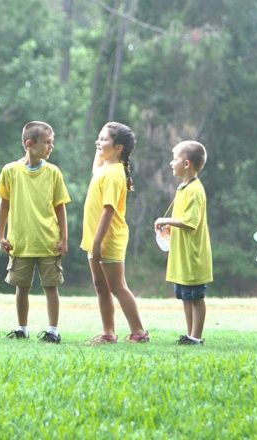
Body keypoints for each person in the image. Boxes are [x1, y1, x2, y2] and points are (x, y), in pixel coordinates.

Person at [0, 121, 71, 344]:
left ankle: (53, 330)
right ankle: (22, 328)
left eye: (52, 142)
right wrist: (1, 235)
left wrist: (64, 238)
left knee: (51, 287)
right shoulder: (10, 171)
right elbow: (4, 204)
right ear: (30, 144)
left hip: (49, 241)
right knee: (22, 287)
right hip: (20, 242)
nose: (51, 146)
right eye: (47, 142)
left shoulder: (53, 172)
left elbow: (60, 207)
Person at [81, 122, 150, 344]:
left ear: (118, 147)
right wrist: (100, 144)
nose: (98, 142)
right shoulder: (105, 170)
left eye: (104, 139)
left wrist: (98, 241)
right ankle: (108, 333)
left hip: (106, 239)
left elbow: (108, 210)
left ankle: (139, 332)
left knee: (117, 287)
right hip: (95, 239)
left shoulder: (113, 174)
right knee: (101, 287)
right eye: (98, 138)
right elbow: (95, 169)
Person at [154, 141, 213, 345]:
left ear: (187, 163)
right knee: (186, 297)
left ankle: (196, 337)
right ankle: (189, 335)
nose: (171, 163)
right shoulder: (183, 188)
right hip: (182, 254)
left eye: (175, 159)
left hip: (193, 255)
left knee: (196, 297)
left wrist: (165, 220)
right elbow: (183, 219)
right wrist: (170, 227)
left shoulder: (195, 190)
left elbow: (190, 223)